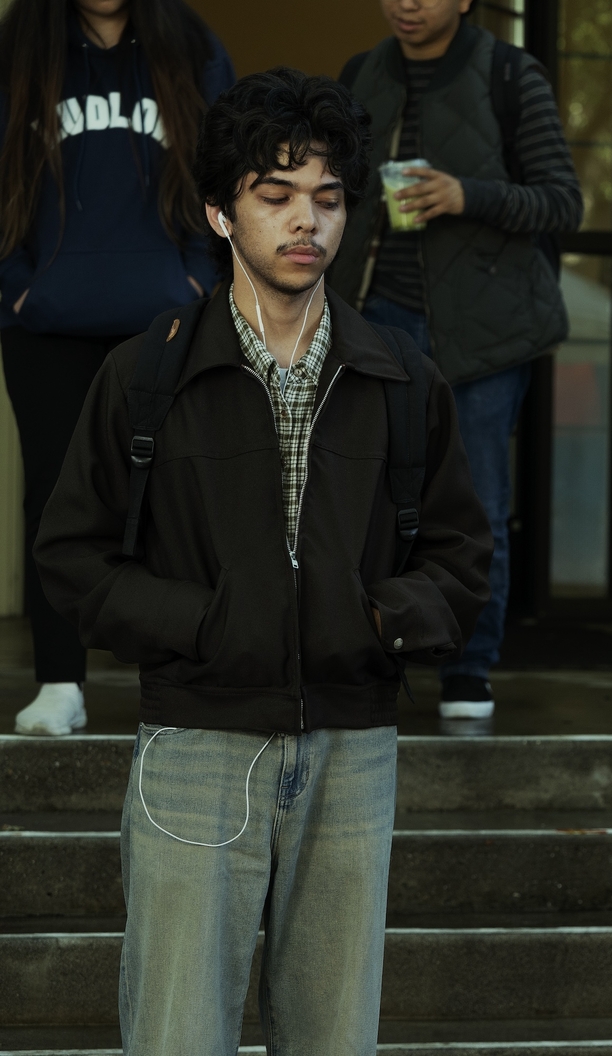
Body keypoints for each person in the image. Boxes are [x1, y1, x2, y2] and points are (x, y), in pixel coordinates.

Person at [34, 67, 491, 1053]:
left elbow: (462, 556)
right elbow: (72, 557)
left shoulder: (402, 380)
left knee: (334, 1038)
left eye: (327, 198)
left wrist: (381, 620)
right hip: (196, 745)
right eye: (275, 195)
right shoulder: (147, 374)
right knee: (178, 1036)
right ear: (219, 211)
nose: (306, 222)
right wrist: (201, 625)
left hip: (353, 751)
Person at [331, 0, 583, 720]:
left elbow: (562, 202)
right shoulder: (361, 73)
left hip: (485, 330)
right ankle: (362, 654)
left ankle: (468, 668)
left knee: (477, 504)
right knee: (360, 499)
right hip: (374, 321)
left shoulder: (510, 73)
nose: (407, 2)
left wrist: (465, 194)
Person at [0, 0, 234, 736]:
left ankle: (174, 679)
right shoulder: (20, 44)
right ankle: (59, 681)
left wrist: (200, 277)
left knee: (175, 497)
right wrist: (15, 285)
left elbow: (227, 168)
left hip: (165, 317)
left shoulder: (191, 44)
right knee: (55, 499)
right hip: (44, 322)